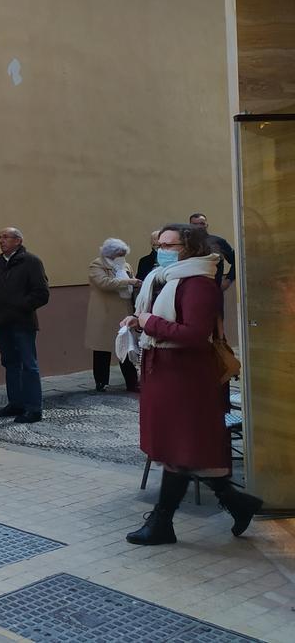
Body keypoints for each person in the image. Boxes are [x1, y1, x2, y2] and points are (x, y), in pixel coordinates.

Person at [122, 223, 262, 545]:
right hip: (170, 375)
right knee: (183, 449)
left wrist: (148, 322)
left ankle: (162, 523)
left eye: (168, 245)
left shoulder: (198, 284)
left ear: (189, 248)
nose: (161, 250)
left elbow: (195, 335)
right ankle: (238, 503)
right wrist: (138, 321)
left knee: (179, 449)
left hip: (185, 379)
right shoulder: (170, 280)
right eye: (160, 244)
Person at [0, 227, 51, 424]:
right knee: (10, 363)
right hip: (1, 322)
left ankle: (33, 408)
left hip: (22, 321)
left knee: (28, 365)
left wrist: (20, 305)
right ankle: (16, 403)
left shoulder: (31, 261)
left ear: (18, 240)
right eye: (0, 237)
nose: (1, 240)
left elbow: (41, 293)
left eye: (6, 237)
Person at [84, 238, 141, 393]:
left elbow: (132, 283)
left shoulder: (126, 265)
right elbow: (104, 283)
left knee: (127, 346)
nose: (122, 257)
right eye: (120, 254)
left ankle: (132, 382)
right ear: (110, 254)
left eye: (124, 254)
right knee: (102, 349)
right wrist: (129, 282)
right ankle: (101, 382)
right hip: (105, 312)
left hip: (125, 310)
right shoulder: (97, 264)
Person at [189, 213, 236, 292]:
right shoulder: (184, 243)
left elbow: (236, 261)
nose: (199, 227)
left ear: (206, 225)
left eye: (202, 223)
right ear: (190, 226)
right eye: (195, 224)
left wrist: (228, 281)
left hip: (214, 289)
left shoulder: (218, 242)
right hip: (189, 289)